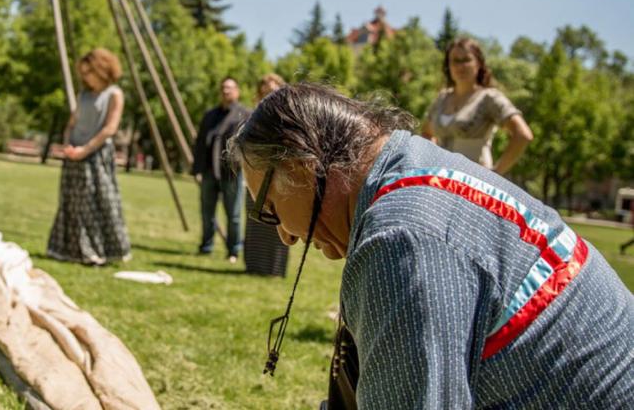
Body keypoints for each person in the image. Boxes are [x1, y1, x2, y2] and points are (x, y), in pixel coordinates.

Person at [230, 83, 633, 408]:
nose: (283, 233)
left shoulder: (400, 238)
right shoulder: (410, 161)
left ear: (302, 165)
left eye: (268, 208)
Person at [47, 48, 131, 265]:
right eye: (83, 73)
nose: (85, 77)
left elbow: (110, 128)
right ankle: (70, 249)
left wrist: (85, 150)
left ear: (101, 70)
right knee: (72, 203)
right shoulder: (83, 95)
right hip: (74, 153)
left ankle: (98, 249)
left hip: (96, 154)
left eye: (89, 72)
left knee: (97, 203)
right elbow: (72, 123)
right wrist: (68, 146)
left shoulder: (114, 94)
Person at [422, 38, 533, 174]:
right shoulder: (442, 98)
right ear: (448, 66)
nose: (460, 66)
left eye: (466, 60)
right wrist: (431, 162)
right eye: (455, 60)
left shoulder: (489, 98)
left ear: (479, 63)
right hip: (440, 182)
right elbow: (426, 133)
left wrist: (496, 173)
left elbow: (523, 135)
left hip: (474, 184)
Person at [191, 77, 251, 262]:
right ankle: (206, 247)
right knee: (207, 213)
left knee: (233, 215)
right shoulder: (210, 115)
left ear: (237, 91)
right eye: (223, 88)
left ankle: (233, 250)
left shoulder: (245, 115)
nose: (226, 91)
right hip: (209, 171)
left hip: (231, 173)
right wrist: (197, 170)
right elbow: (200, 143)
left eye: (230, 88)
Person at [243, 73, 290, 276]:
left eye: (272, 91)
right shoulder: (253, 117)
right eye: (264, 92)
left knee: (278, 219)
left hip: (280, 175)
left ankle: (274, 269)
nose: (268, 95)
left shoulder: (288, 117)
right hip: (257, 172)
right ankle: (254, 266)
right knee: (256, 218)